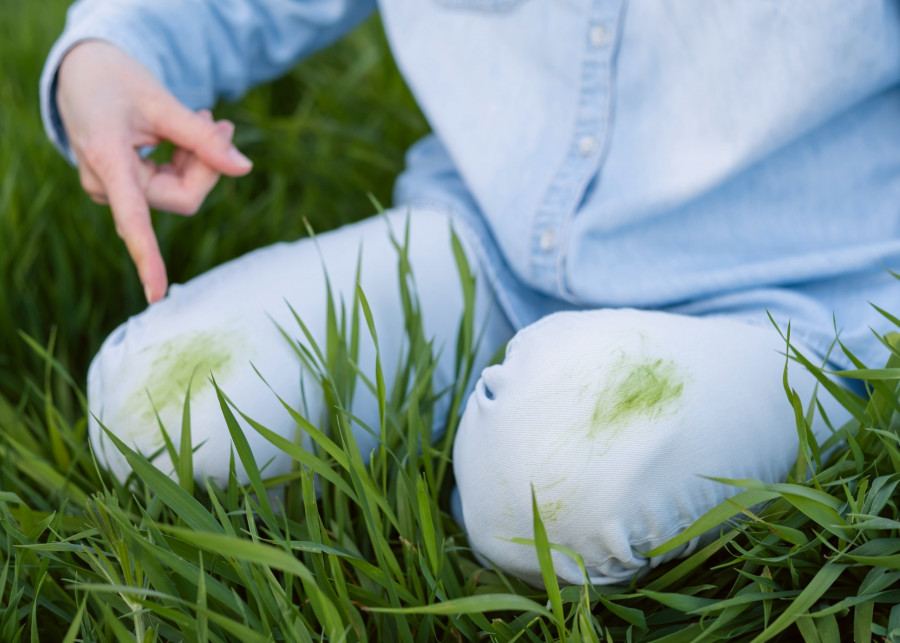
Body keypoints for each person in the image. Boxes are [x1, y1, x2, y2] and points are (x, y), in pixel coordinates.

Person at [42, 1, 900, 586]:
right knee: (161, 407)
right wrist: (114, 51)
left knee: (554, 480)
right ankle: (470, 416)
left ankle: (497, 444)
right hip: (490, 228)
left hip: (790, 281)